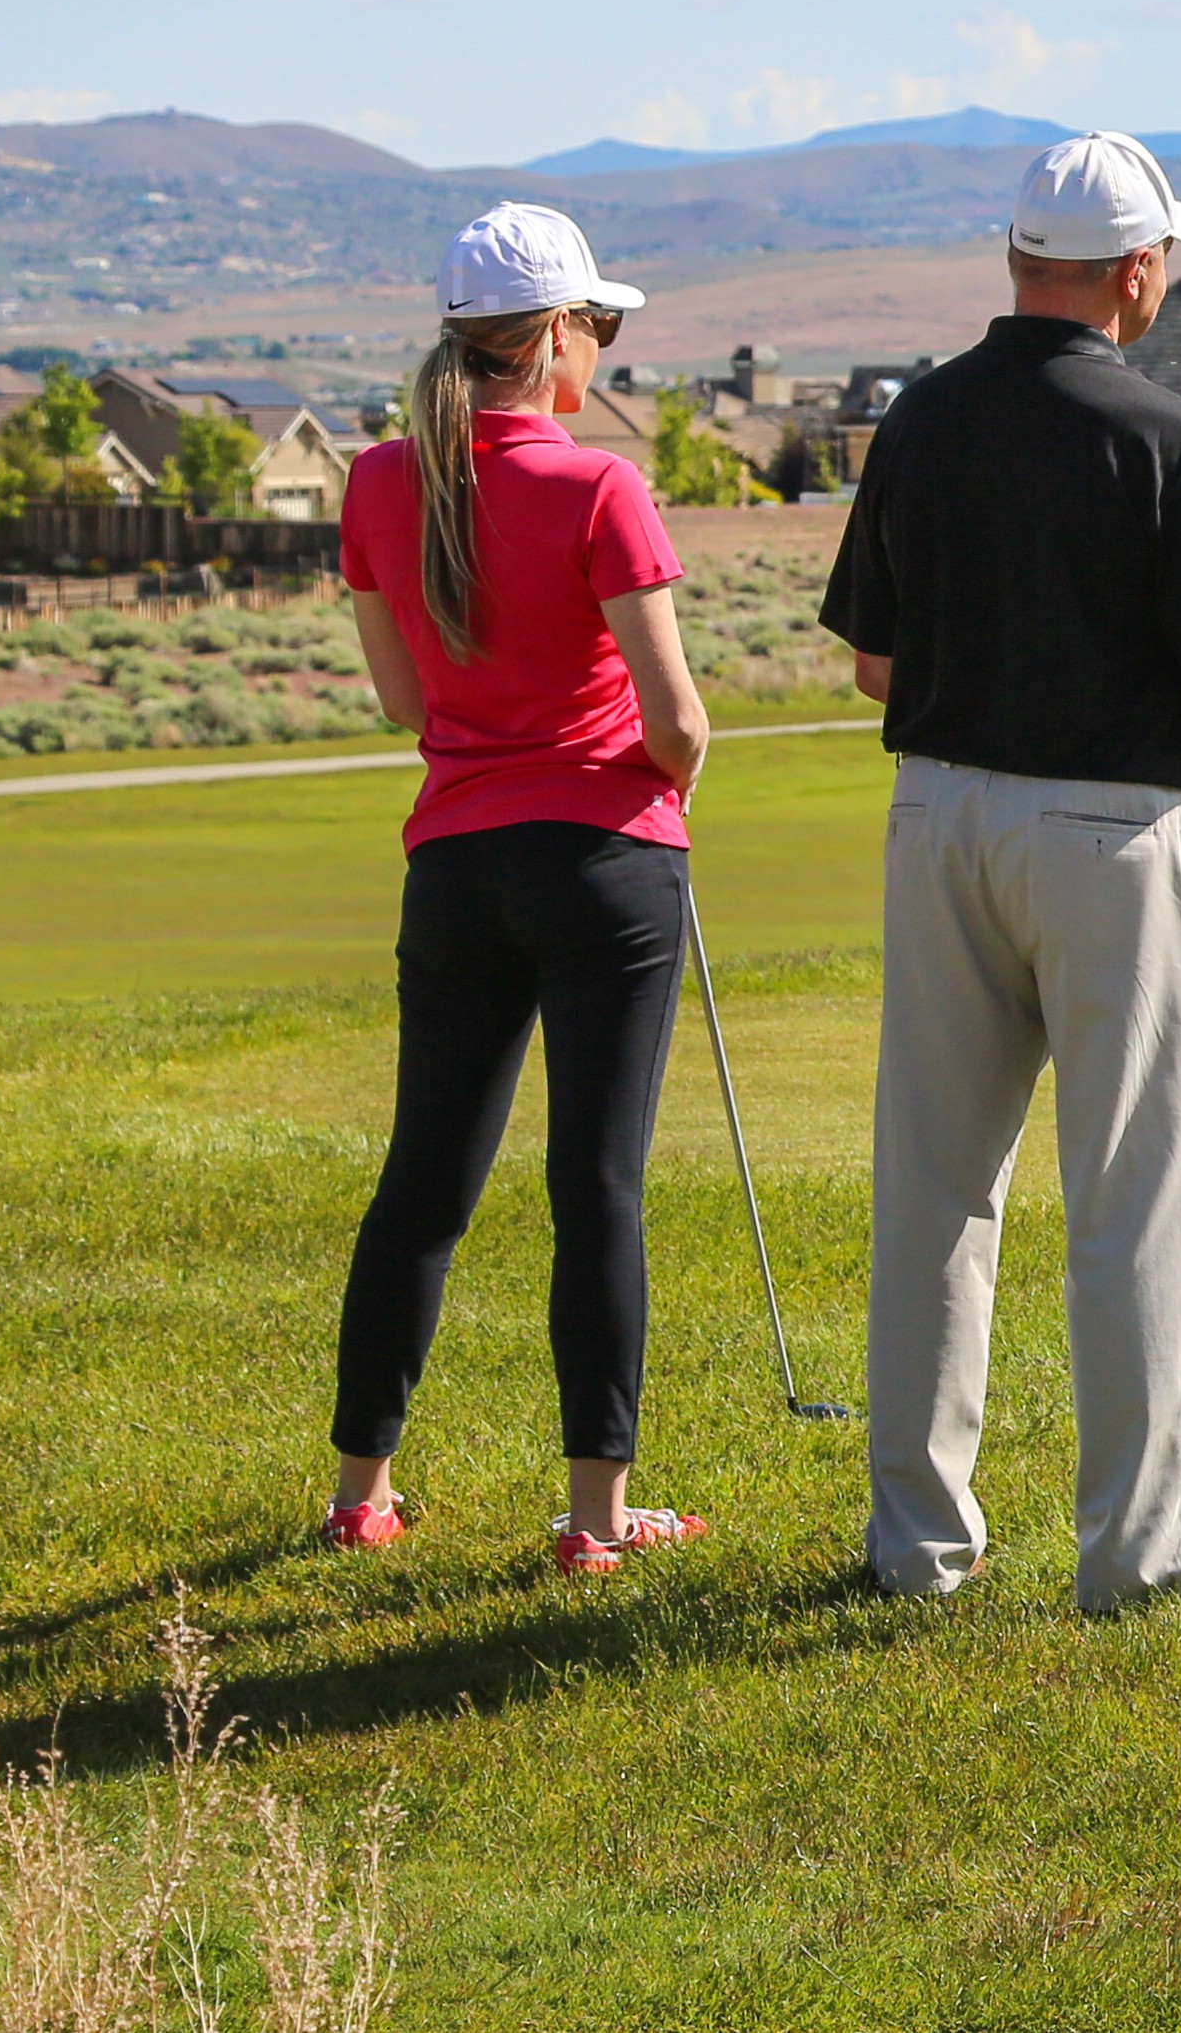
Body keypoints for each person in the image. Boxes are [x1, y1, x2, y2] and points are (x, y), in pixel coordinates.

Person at [825, 133, 1181, 1613]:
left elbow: (873, 662)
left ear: (1020, 257)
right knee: (1137, 1197)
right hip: (1111, 833)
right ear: (1137, 270)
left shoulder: (917, 423)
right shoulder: (1173, 437)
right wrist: (1136, 796)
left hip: (937, 821)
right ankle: (1145, 1554)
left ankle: (916, 1548)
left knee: (931, 1186)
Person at [321, 203, 717, 1579]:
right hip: (605, 857)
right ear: (554, 332)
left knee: (424, 1175)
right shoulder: (601, 486)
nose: (600, 348)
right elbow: (678, 721)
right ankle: (597, 1522)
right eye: (597, 325)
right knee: (594, 1181)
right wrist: (670, 777)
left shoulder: (377, 483)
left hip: (456, 862)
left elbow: (399, 698)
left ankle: (360, 1489)